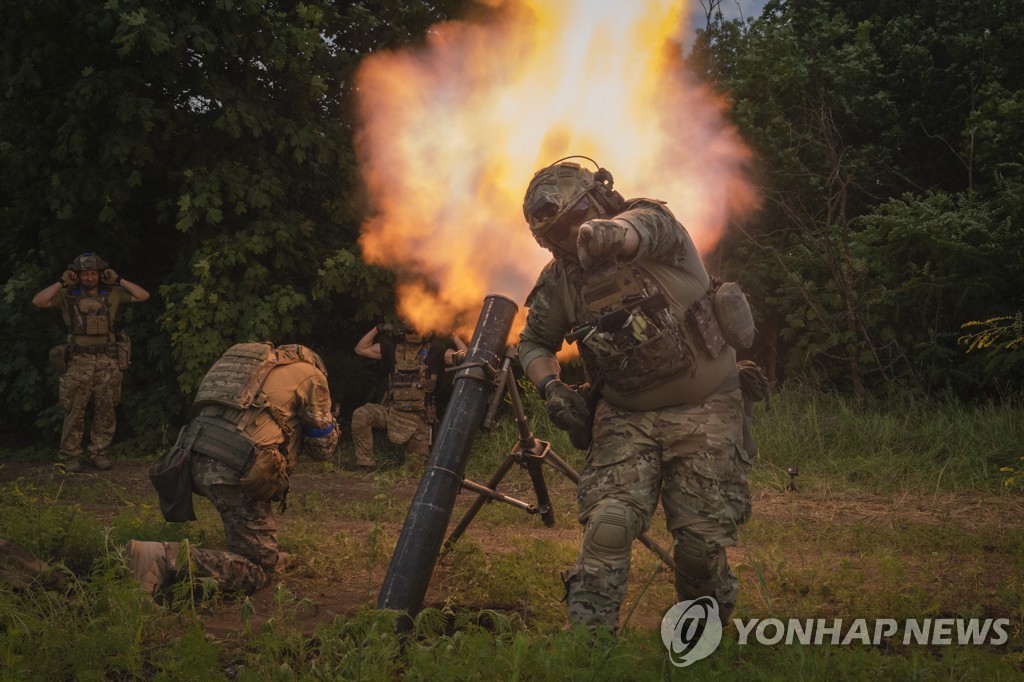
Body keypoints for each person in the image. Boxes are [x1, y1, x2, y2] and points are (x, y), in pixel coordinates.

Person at [516, 157, 754, 631]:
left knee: (700, 546)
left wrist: (608, 233)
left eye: (580, 214)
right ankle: (589, 647)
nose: (574, 234)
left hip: (706, 406)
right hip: (626, 417)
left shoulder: (654, 230)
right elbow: (534, 342)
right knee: (607, 525)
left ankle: (701, 626)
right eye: (560, 231)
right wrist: (550, 386)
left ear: (601, 198)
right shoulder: (562, 280)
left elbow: (644, 226)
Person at [129, 342, 339, 595]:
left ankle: (258, 549)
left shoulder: (252, 364)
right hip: (235, 468)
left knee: (246, 529)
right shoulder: (313, 376)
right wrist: (332, 428)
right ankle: (162, 558)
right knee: (257, 571)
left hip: (189, 459)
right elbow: (322, 450)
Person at [31, 252, 150, 473]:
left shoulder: (112, 293)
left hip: (107, 359)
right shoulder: (67, 295)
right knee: (74, 408)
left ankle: (99, 453)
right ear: (77, 275)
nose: (89, 278)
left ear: (100, 274)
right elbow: (39, 301)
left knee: (106, 408)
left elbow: (143, 296)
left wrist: (118, 279)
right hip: (78, 360)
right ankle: (71, 456)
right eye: (84, 274)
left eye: (93, 273)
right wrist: (61, 282)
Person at [350, 323, 467, 473]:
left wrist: (453, 335)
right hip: (392, 413)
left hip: (420, 419)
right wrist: (377, 329)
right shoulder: (392, 349)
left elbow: (468, 358)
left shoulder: (435, 352)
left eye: (418, 330)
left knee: (415, 470)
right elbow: (361, 349)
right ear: (403, 332)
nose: (413, 334)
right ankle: (365, 465)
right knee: (361, 414)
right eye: (409, 331)